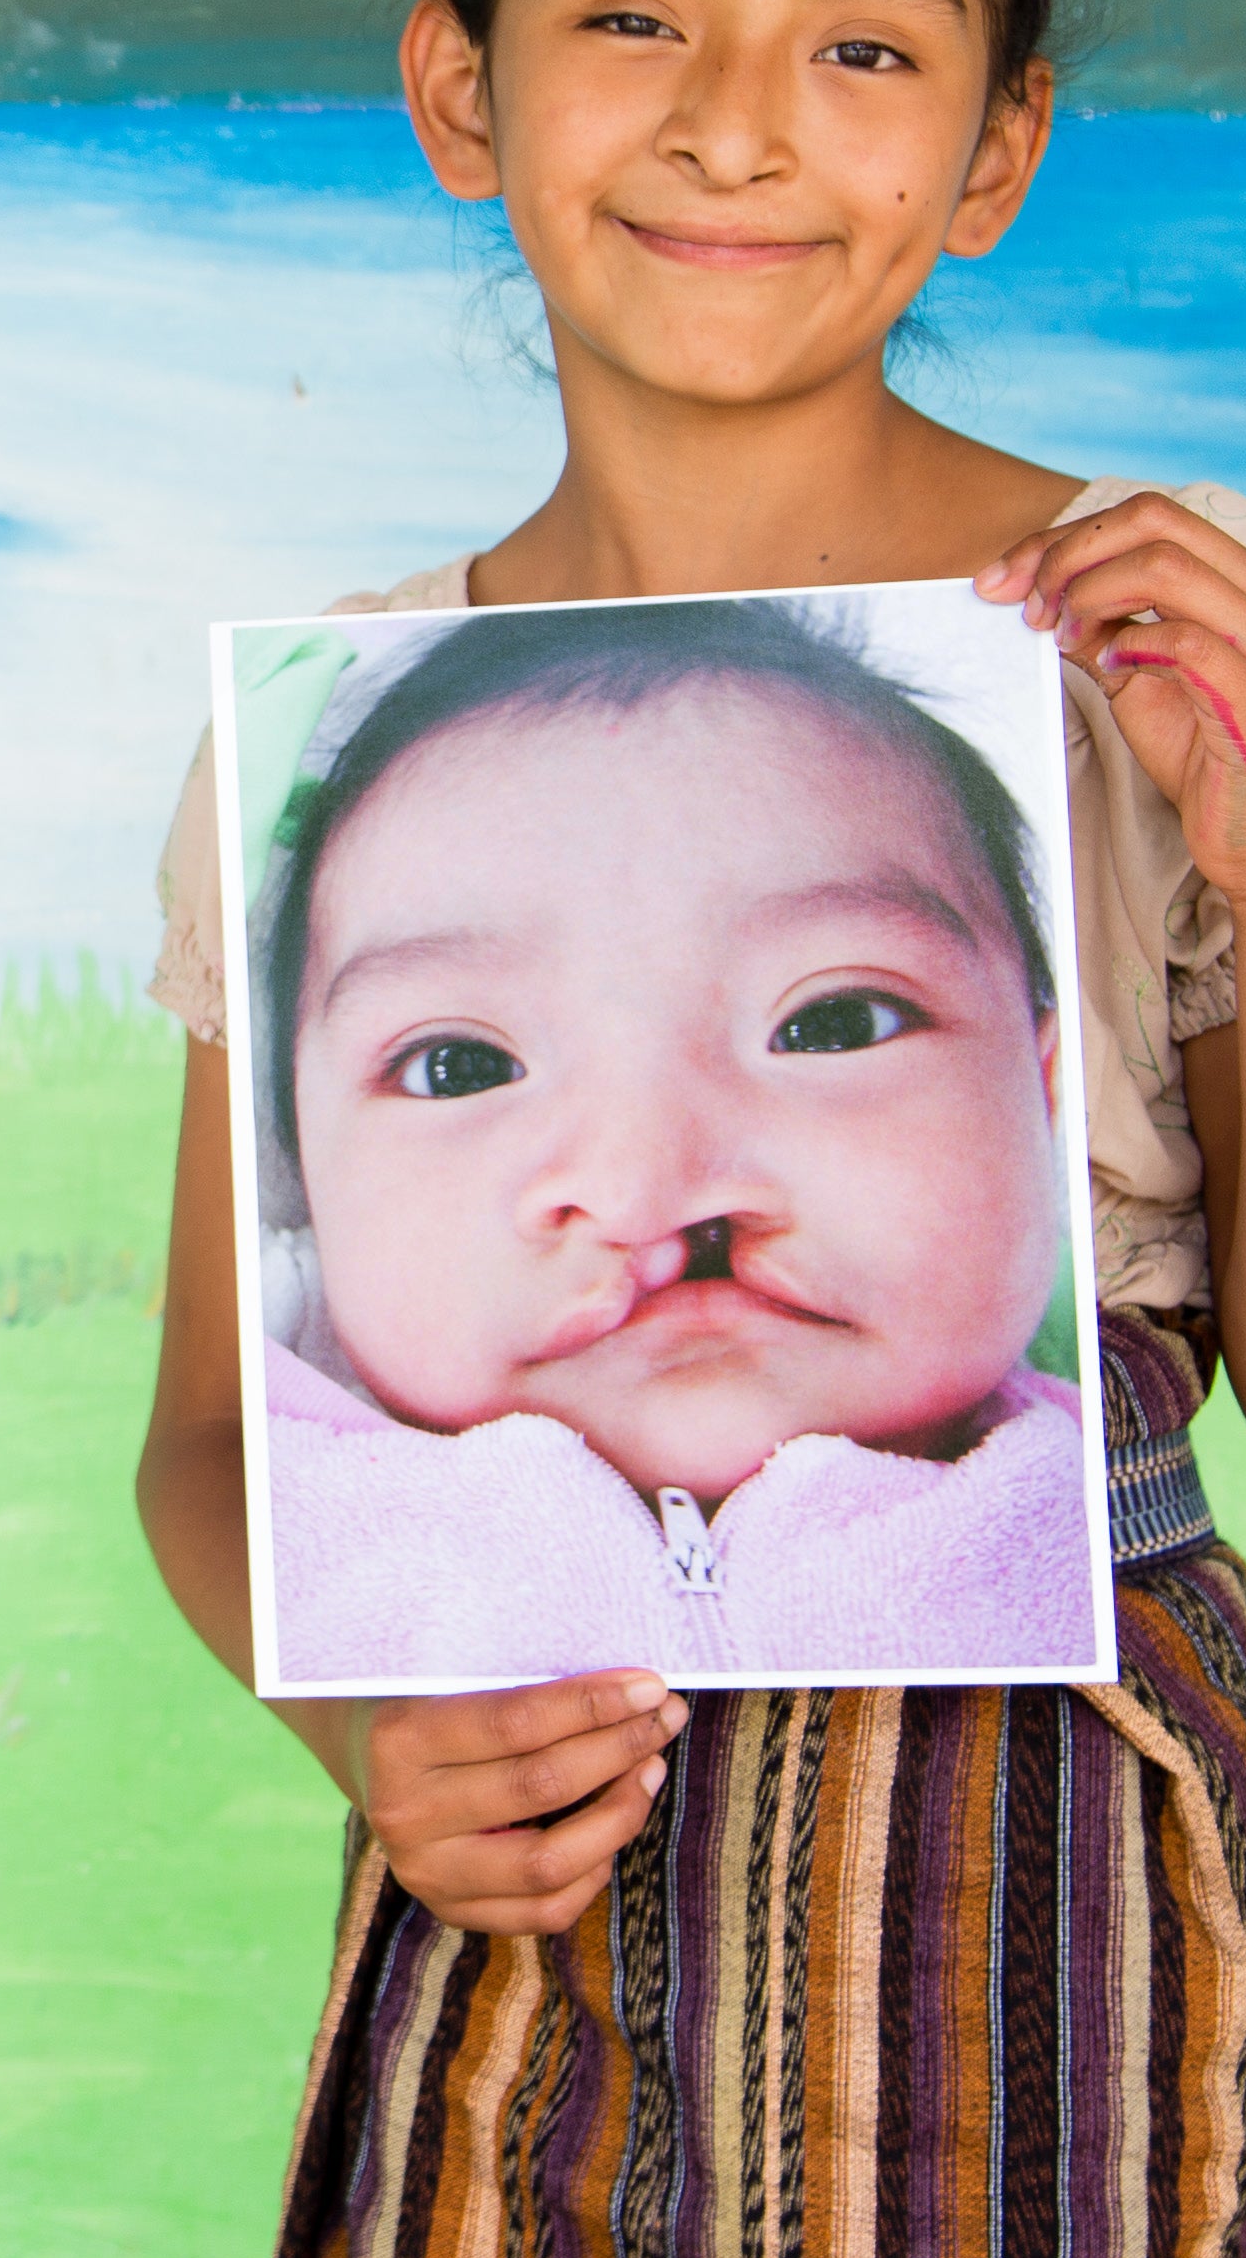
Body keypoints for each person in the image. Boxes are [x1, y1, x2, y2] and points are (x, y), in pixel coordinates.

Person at [130, 0, 1246, 2258]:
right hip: (530, 1869)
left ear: (990, 149)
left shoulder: (1190, 654)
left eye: (865, 45)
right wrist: (367, 1718)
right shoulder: (335, 740)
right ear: (456, 86)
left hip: (1033, 1885)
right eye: (632, 14)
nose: (740, 120)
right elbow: (203, 1432)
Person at [242, 593, 1100, 1686]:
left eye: (829, 1022)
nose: (649, 1182)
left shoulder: (1103, 1511)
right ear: (297, 1173)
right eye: (458, 1062)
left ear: (1043, 1095)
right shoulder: (280, 1508)